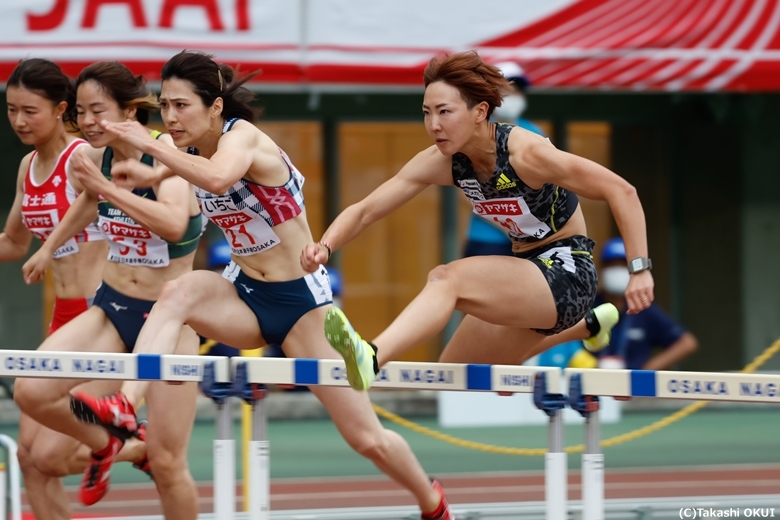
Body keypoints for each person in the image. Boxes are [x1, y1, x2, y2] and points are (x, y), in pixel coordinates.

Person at [70, 51, 455, 520]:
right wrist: (151, 175)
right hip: (245, 292)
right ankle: (127, 407)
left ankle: (431, 501)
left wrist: (150, 149)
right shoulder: (189, 150)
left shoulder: (243, 139)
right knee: (177, 293)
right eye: (164, 106)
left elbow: (216, 176)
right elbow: (186, 166)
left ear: (215, 107)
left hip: (301, 305)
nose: (169, 117)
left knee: (366, 438)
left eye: (181, 106)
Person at [299, 50, 653, 391]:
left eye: (444, 112)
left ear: (480, 111)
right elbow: (366, 209)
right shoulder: (444, 161)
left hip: (568, 270)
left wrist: (639, 270)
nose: (433, 125)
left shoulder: (526, 154)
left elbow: (622, 191)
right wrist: (326, 244)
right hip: (527, 273)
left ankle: (371, 356)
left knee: (446, 278)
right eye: (426, 113)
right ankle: (587, 326)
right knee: (455, 372)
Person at [13, 60, 204, 517]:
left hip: (169, 320)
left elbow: (176, 224)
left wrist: (106, 189)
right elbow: (87, 201)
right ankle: (108, 441)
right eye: (81, 112)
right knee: (30, 390)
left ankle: (133, 446)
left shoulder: (167, 155)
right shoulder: (95, 156)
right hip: (114, 308)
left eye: (98, 110)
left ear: (130, 111)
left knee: (168, 462)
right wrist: (47, 248)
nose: (88, 122)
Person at [1, 58, 114, 520]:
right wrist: (38, 249)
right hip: (60, 319)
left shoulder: (83, 156)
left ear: (61, 108)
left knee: (49, 455)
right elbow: (13, 241)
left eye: (31, 110)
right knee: (31, 462)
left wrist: (50, 249)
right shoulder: (29, 165)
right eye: (11, 110)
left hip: (98, 316)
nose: (19, 121)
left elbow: (96, 206)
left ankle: (136, 445)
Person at [463, 61, 545, 258]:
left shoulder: (535, 133)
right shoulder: (475, 132)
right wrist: (509, 228)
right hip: (486, 240)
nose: (513, 95)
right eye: (506, 89)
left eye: (517, 90)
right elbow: (463, 190)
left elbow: (547, 187)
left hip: (530, 240)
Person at [594, 237, 698, 370]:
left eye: (622, 264)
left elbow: (687, 343)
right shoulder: (587, 306)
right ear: (602, 268)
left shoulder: (643, 308)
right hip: (590, 386)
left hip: (632, 388)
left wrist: (646, 372)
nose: (617, 269)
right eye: (612, 265)